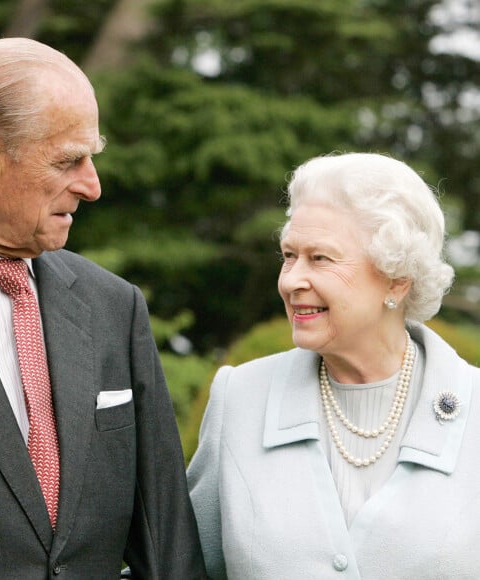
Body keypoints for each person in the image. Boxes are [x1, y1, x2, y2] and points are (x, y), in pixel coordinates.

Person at [0, 38, 206, 579]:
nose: (93, 186)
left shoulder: (115, 307)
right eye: (69, 160)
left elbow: (168, 545)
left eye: (93, 156)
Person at [187, 152, 480, 579]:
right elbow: (184, 567)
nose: (290, 281)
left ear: (397, 278)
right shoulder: (240, 400)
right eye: (289, 255)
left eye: (320, 258)